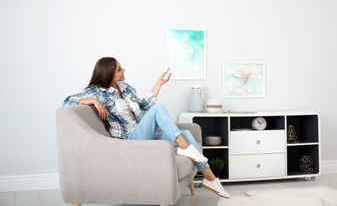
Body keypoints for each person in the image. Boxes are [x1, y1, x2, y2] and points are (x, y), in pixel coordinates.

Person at [63, 57, 230, 198]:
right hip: (126, 141)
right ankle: (186, 149)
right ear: (109, 73)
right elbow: (66, 102)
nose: (124, 70)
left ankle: (209, 177)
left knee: (185, 133)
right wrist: (92, 101)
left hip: (140, 134)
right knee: (161, 111)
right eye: (119, 69)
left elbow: (144, 104)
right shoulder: (97, 91)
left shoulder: (126, 88)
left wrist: (158, 84)